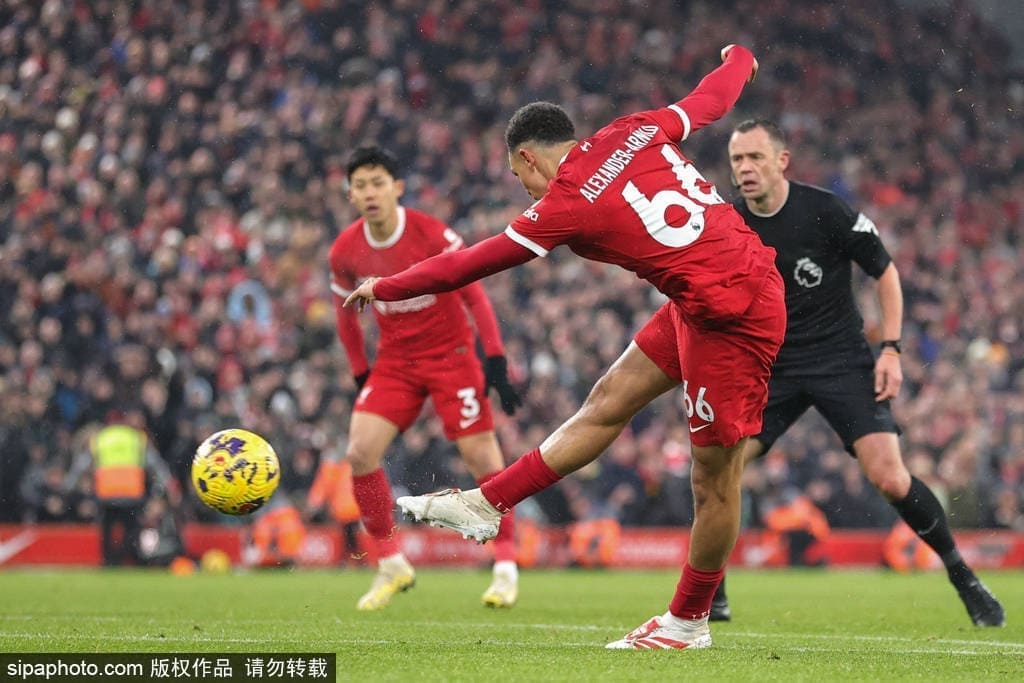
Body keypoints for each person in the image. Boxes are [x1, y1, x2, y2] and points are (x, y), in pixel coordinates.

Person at [347, 45, 783, 649]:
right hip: (705, 297)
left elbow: (467, 264)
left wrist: (385, 286)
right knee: (607, 400)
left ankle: (687, 622)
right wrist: (740, 59)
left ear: (529, 157)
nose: (525, 190)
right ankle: (488, 503)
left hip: (736, 316)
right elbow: (709, 100)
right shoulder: (632, 129)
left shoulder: (565, 203)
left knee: (714, 480)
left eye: (518, 177)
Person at [713, 119, 1004, 627]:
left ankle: (963, 576)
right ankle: (710, 592)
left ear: (781, 161)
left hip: (840, 360)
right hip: (771, 366)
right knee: (718, 467)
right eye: (738, 159)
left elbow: (885, 272)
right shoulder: (728, 222)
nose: (745, 168)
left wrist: (890, 349)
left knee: (890, 477)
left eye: (755, 157)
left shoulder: (825, 210)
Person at [329, 146, 523, 610]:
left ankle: (505, 566)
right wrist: (360, 371)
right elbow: (346, 315)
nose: (370, 193)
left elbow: (475, 296)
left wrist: (495, 358)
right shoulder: (344, 251)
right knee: (360, 452)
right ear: (350, 194)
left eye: (378, 183)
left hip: (452, 356)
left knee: (481, 456)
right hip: (396, 362)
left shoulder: (433, 234)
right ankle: (390, 563)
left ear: (396, 187)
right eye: (360, 185)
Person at [66, 409, 178, 566]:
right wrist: (168, 485)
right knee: (131, 528)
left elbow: (81, 466)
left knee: (107, 528)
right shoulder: (136, 439)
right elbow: (156, 465)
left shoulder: (100, 439)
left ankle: (108, 560)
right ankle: (129, 558)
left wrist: (68, 486)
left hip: (107, 493)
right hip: (131, 492)